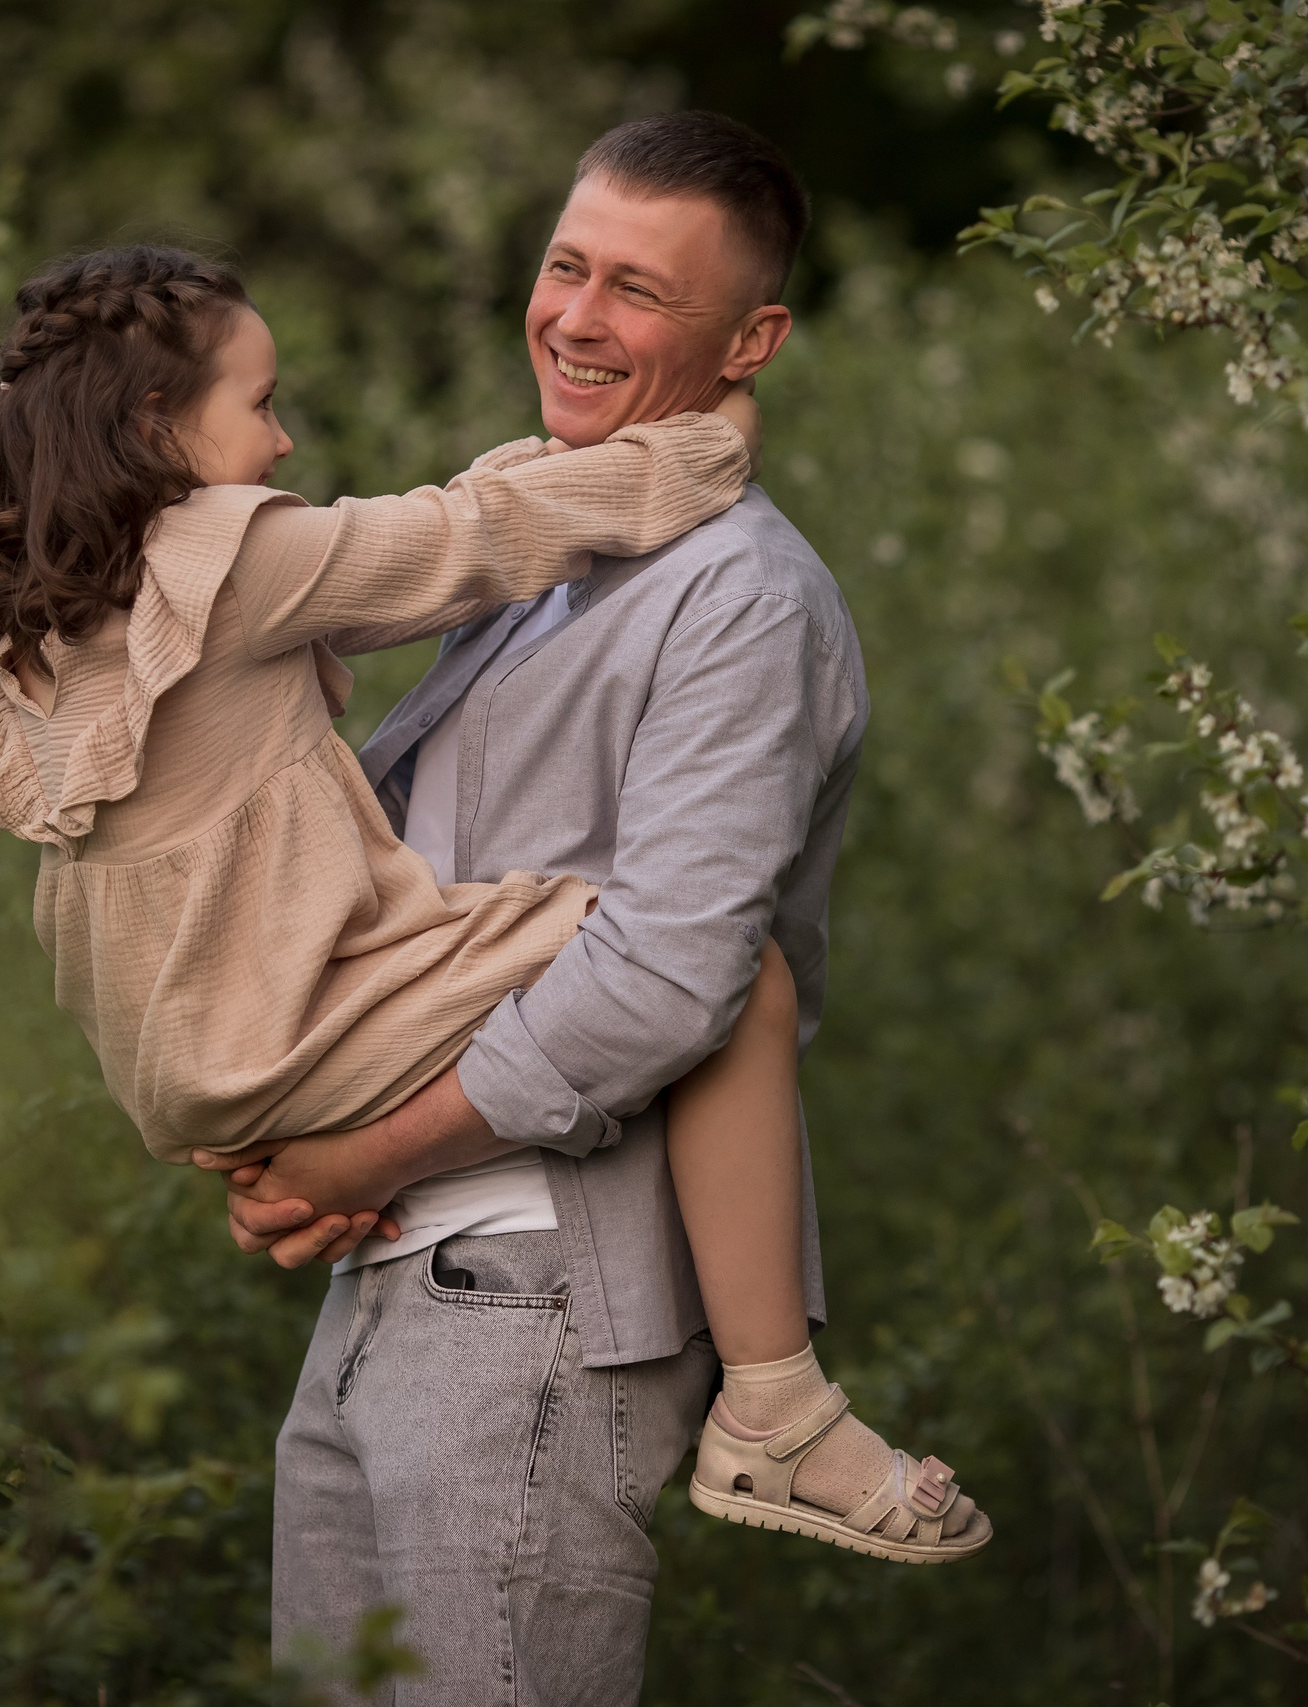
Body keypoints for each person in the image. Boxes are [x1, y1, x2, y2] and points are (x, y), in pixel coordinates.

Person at [204, 112, 987, 1703]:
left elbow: (673, 977)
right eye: (568, 266)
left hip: (545, 1299)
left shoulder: (741, 602)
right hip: (391, 1287)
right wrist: (298, 1140)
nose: (574, 316)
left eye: (641, 292)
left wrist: (357, 1150)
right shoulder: (543, 546)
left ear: (752, 338)